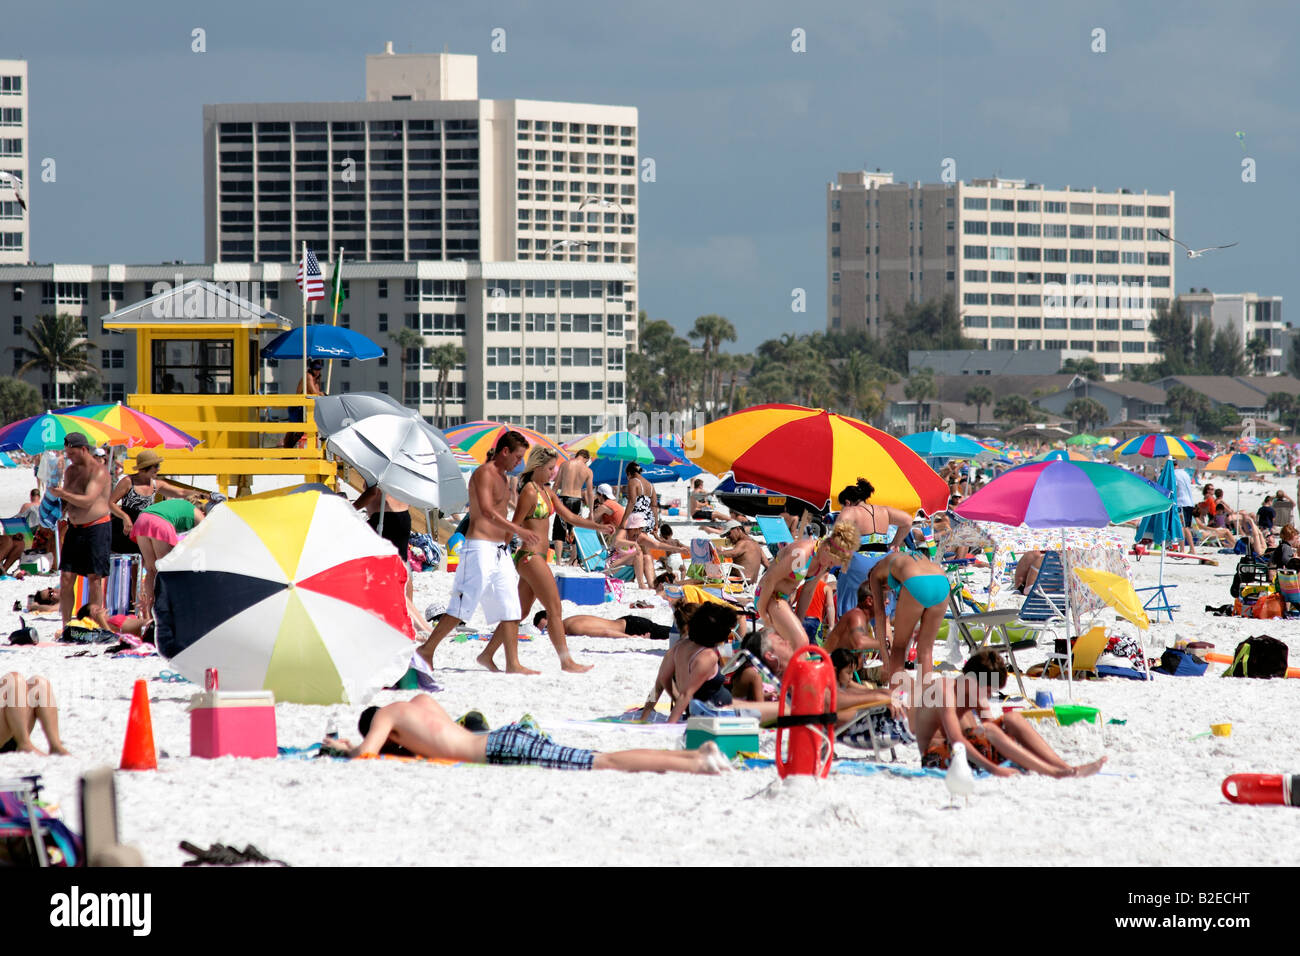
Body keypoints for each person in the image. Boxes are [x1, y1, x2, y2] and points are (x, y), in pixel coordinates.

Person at [321, 694, 730, 773]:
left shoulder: (388, 717)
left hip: (500, 748)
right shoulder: (418, 703)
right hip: (504, 734)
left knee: (603, 761)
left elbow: (367, 756)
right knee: (598, 754)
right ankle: (696, 755)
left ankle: (697, 763)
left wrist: (346, 748)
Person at [416, 431, 541, 675]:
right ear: (504, 451)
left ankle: (510, 663)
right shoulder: (484, 473)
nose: (520, 462)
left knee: (511, 607)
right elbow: (484, 510)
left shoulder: (505, 479)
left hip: (499, 550)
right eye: (517, 456)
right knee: (462, 606)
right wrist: (517, 529)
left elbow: (503, 512)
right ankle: (427, 650)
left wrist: (513, 533)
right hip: (478, 548)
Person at [487, 445, 614, 673]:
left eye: (553, 468)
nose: (553, 472)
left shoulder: (547, 491)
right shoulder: (529, 492)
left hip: (538, 557)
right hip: (529, 556)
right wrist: (500, 552)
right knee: (554, 608)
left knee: (520, 613)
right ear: (537, 467)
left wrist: (598, 526)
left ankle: (486, 655)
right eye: (549, 468)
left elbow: (571, 517)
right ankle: (566, 661)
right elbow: (514, 524)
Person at [908, 650, 1106, 778]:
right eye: (986, 690)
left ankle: (1066, 768)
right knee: (989, 729)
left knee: (1012, 718)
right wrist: (995, 769)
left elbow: (992, 728)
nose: (987, 696)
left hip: (967, 752)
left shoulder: (973, 690)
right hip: (936, 758)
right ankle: (1057, 773)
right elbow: (958, 740)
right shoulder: (944, 690)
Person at [756, 524, 857, 654]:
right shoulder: (802, 553)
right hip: (768, 595)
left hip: (782, 600)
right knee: (801, 641)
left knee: (791, 645)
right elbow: (770, 579)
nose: (829, 566)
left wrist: (799, 620)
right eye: (831, 562)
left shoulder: (822, 561)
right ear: (826, 549)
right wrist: (763, 612)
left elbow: (808, 592)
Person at [48, 434, 112, 630]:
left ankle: (94, 624)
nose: (69, 457)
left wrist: (63, 494)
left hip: (97, 527)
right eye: (67, 453)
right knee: (66, 577)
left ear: (84, 450)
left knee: (94, 578)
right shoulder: (70, 470)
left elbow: (88, 500)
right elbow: (69, 499)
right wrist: (58, 505)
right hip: (75, 528)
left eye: (72, 453)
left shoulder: (98, 471)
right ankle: (67, 625)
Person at [640, 602, 740, 723]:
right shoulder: (707, 653)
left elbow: (659, 684)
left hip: (697, 708)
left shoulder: (677, 648)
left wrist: (644, 717)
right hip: (717, 712)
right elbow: (729, 669)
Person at [354, 485, 428, 637]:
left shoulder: (378, 465)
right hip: (403, 517)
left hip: (384, 519)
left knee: (375, 567)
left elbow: (373, 491)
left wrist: (351, 508)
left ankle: (391, 614)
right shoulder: (400, 468)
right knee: (401, 566)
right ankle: (407, 614)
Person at [870, 550, 953, 684]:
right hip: (942, 582)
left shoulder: (874, 574)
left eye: (887, 590)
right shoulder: (904, 557)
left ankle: (894, 699)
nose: (889, 591)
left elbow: (880, 615)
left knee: (899, 647)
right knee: (926, 650)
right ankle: (924, 699)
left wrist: (884, 656)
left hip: (916, 581)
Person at [132, 495, 209, 622]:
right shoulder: (198, 514)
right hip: (159, 522)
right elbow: (206, 535)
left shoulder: (178, 507)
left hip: (142, 519)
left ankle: (147, 616)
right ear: (203, 512)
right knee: (167, 569)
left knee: (151, 569)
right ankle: (169, 611)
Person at [107, 449, 183, 555]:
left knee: (144, 560)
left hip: (143, 529)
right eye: (156, 466)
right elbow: (111, 503)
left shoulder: (155, 484)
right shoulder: (128, 482)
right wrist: (125, 518)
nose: (159, 469)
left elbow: (179, 492)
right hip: (124, 529)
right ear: (145, 468)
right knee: (124, 559)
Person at [833, 478, 914, 551]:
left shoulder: (852, 511)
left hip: (860, 558)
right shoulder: (884, 510)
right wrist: (894, 544)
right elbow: (908, 521)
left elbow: (840, 524)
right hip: (882, 558)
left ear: (847, 503)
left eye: (842, 507)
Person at [0, 672, 70, 756]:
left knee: (39, 683)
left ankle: (56, 746)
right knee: (13, 679)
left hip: (10, 734)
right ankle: (24, 743)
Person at [552, 449, 594, 561]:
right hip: (577, 500)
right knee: (575, 529)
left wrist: (550, 500)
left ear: (577, 455)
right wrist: (591, 511)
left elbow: (556, 485)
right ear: (586, 458)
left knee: (559, 530)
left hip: (564, 499)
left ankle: (558, 561)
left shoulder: (565, 464)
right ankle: (573, 559)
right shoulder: (588, 471)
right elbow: (590, 493)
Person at [533, 609, 673, 642]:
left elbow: (606, 632)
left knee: (676, 635)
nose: (549, 632)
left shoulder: (572, 628)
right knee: (674, 633)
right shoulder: (568, 621)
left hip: (632, 628)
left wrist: (634, 638)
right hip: (627, 622)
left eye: (547, 628)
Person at [282, 358, 324, 448]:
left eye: (319, 369)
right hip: (298, 407)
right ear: (311, 369)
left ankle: (288, 451)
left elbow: (317, 393)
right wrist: (322, 394)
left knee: (299, 432)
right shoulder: (308, 376)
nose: (317, 372)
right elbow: (314, 392)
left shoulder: (316, 379)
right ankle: (287, 450)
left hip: (304, 408)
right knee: (296, 431)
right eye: (316, 369)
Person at [607, 513, 656, 588]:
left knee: (647, 557)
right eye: (636, 528)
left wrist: (676, 548)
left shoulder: (638, 535)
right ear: (630, 528)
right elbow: (616, 542)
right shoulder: (623, 532)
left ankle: (652, 584)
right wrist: (634, 544)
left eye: (640, 528)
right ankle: (641, 584)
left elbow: (657, 545)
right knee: (637, 554)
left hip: (625, 565)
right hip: (613, 565)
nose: (639, 531)